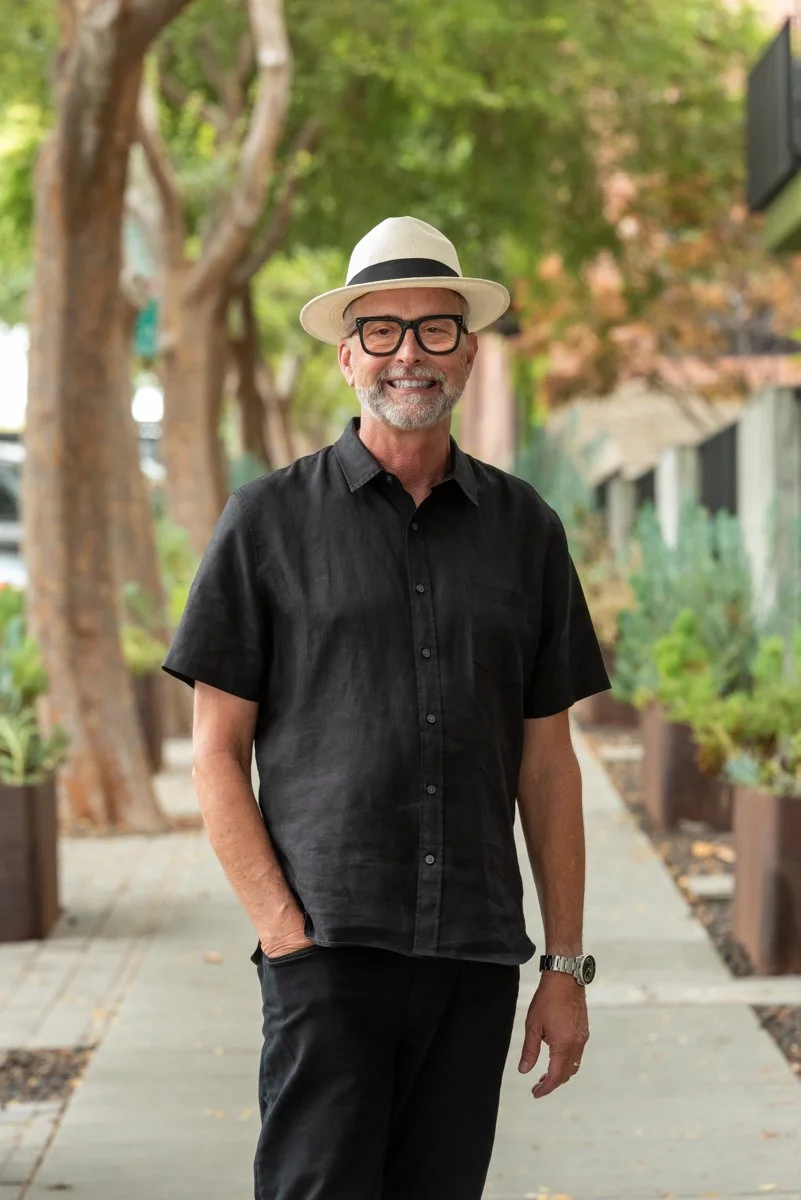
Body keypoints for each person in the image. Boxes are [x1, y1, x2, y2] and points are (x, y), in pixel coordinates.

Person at [163, 215, 611, 1200]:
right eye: (382, 330)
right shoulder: (266, 523)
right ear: (347, 355)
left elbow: (547, 761)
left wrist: (565, 963)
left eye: (434, 328)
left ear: (469, 351)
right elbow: (214, 752)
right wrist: (283, 931)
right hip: (326, 946)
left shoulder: (526, 530)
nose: (409, 352)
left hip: (475, 952)